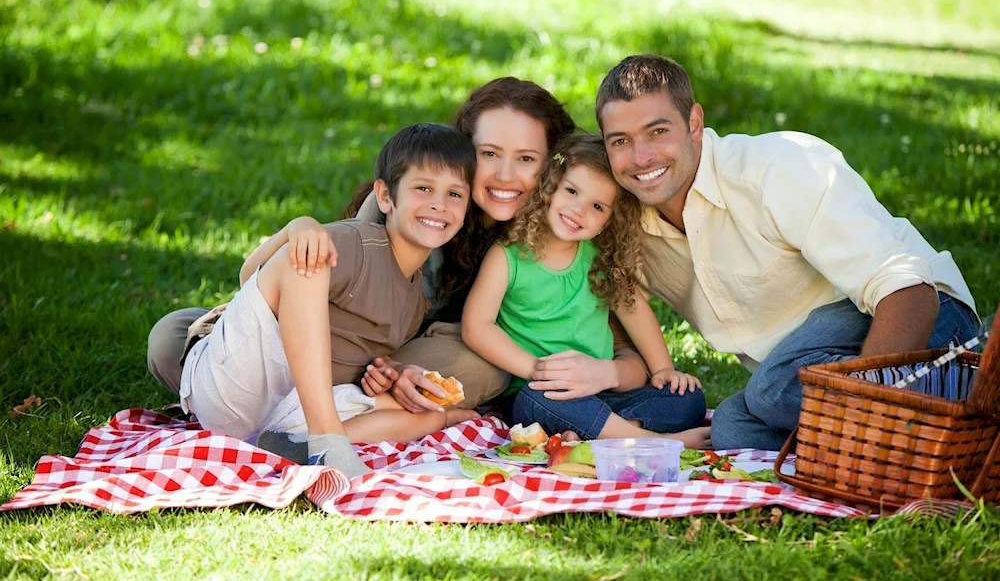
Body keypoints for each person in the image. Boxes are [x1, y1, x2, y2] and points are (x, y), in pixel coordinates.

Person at [149, 77, 656, 419]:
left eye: (526, 159)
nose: (505, 176)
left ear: (552, 165)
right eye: (488, 155)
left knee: (481, 365)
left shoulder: (561, 233)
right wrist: (298, 227)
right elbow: (320, 288)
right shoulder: (420, 210)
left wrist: (610, 371)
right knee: (171, 336)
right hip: (327, 344)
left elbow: (613, 338)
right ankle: (301, 403)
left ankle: (321, 410)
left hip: (428, 359)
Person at [595, 54, 980, 451]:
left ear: (694, 123)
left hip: (924, 326)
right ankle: (920, 435)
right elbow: (590, 305)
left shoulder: (779, 169)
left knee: (771, 388)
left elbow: (910, 292)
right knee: (732, 429)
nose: (641, 157)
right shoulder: (621, 225)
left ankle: (937, 414)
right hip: (800, 372)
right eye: (620, 141)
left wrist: (866, 409)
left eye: (657, 131)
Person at [177, 123, 477, 477]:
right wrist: (297, 227)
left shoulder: (414, 302)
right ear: (384, 197)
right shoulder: (355, 244)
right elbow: (250, 278)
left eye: (454, 194)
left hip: (282, 414)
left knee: (425, 413)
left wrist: (388, 374)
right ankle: (328, 442)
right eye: (423, 188)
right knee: (309, 259)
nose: (439, 205)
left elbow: (349, 354)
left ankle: (293, 447)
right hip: (235, 382)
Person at [462, 134, 709, 446]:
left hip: (600, 392)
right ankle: (651, 441)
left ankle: (607, 432)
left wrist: (663, 370)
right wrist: (539, 372)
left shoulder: (599, 259)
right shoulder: (508, 256)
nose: (579, 210)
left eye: (596, 206)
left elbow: (635, 311)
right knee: (541, 402)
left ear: (608, 221)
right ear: (551, 188)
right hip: (541, 393)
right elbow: (476, 327)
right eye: (572, 191)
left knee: (688, 398)